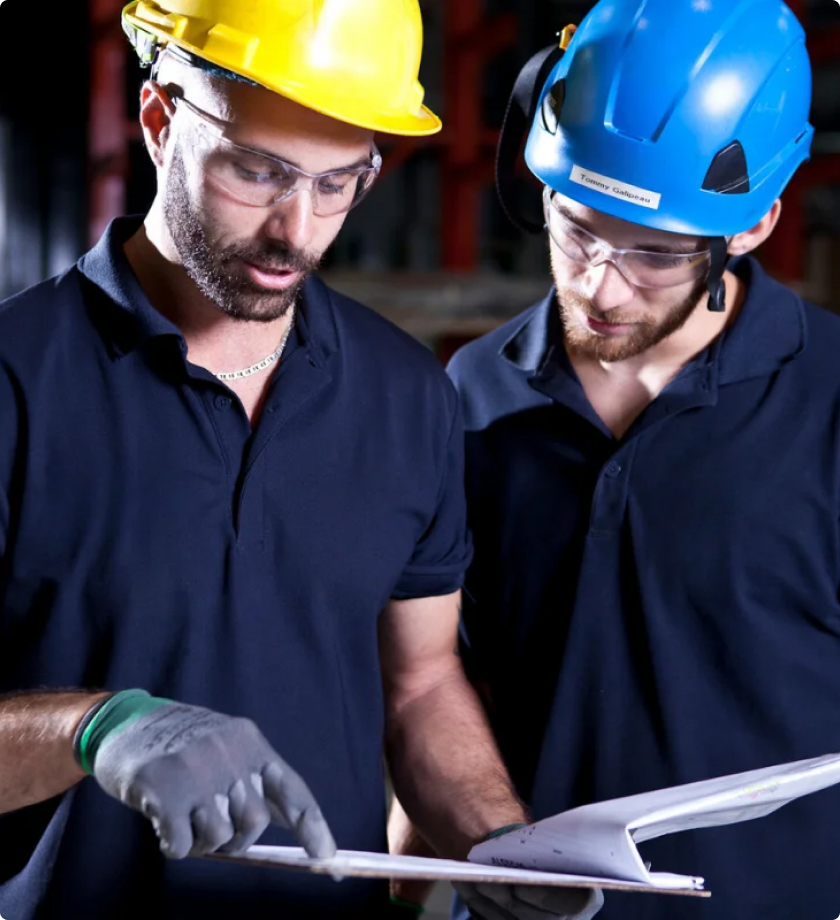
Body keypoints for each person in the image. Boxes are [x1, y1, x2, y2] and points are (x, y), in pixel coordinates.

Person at [0, 2, 601, 918]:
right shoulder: (15, 382)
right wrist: (93, 730)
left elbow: (421, 685)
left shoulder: (407, 395)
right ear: (161, 122)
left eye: (338, 183)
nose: (297, 229)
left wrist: (499, 845)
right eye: (258, 171)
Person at [441, 0, 840, 918]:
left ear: (751, 224)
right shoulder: (473, 395)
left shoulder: (828, 403)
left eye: (655, 254)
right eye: (576, 226)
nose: (599, 282)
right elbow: (434, 682)